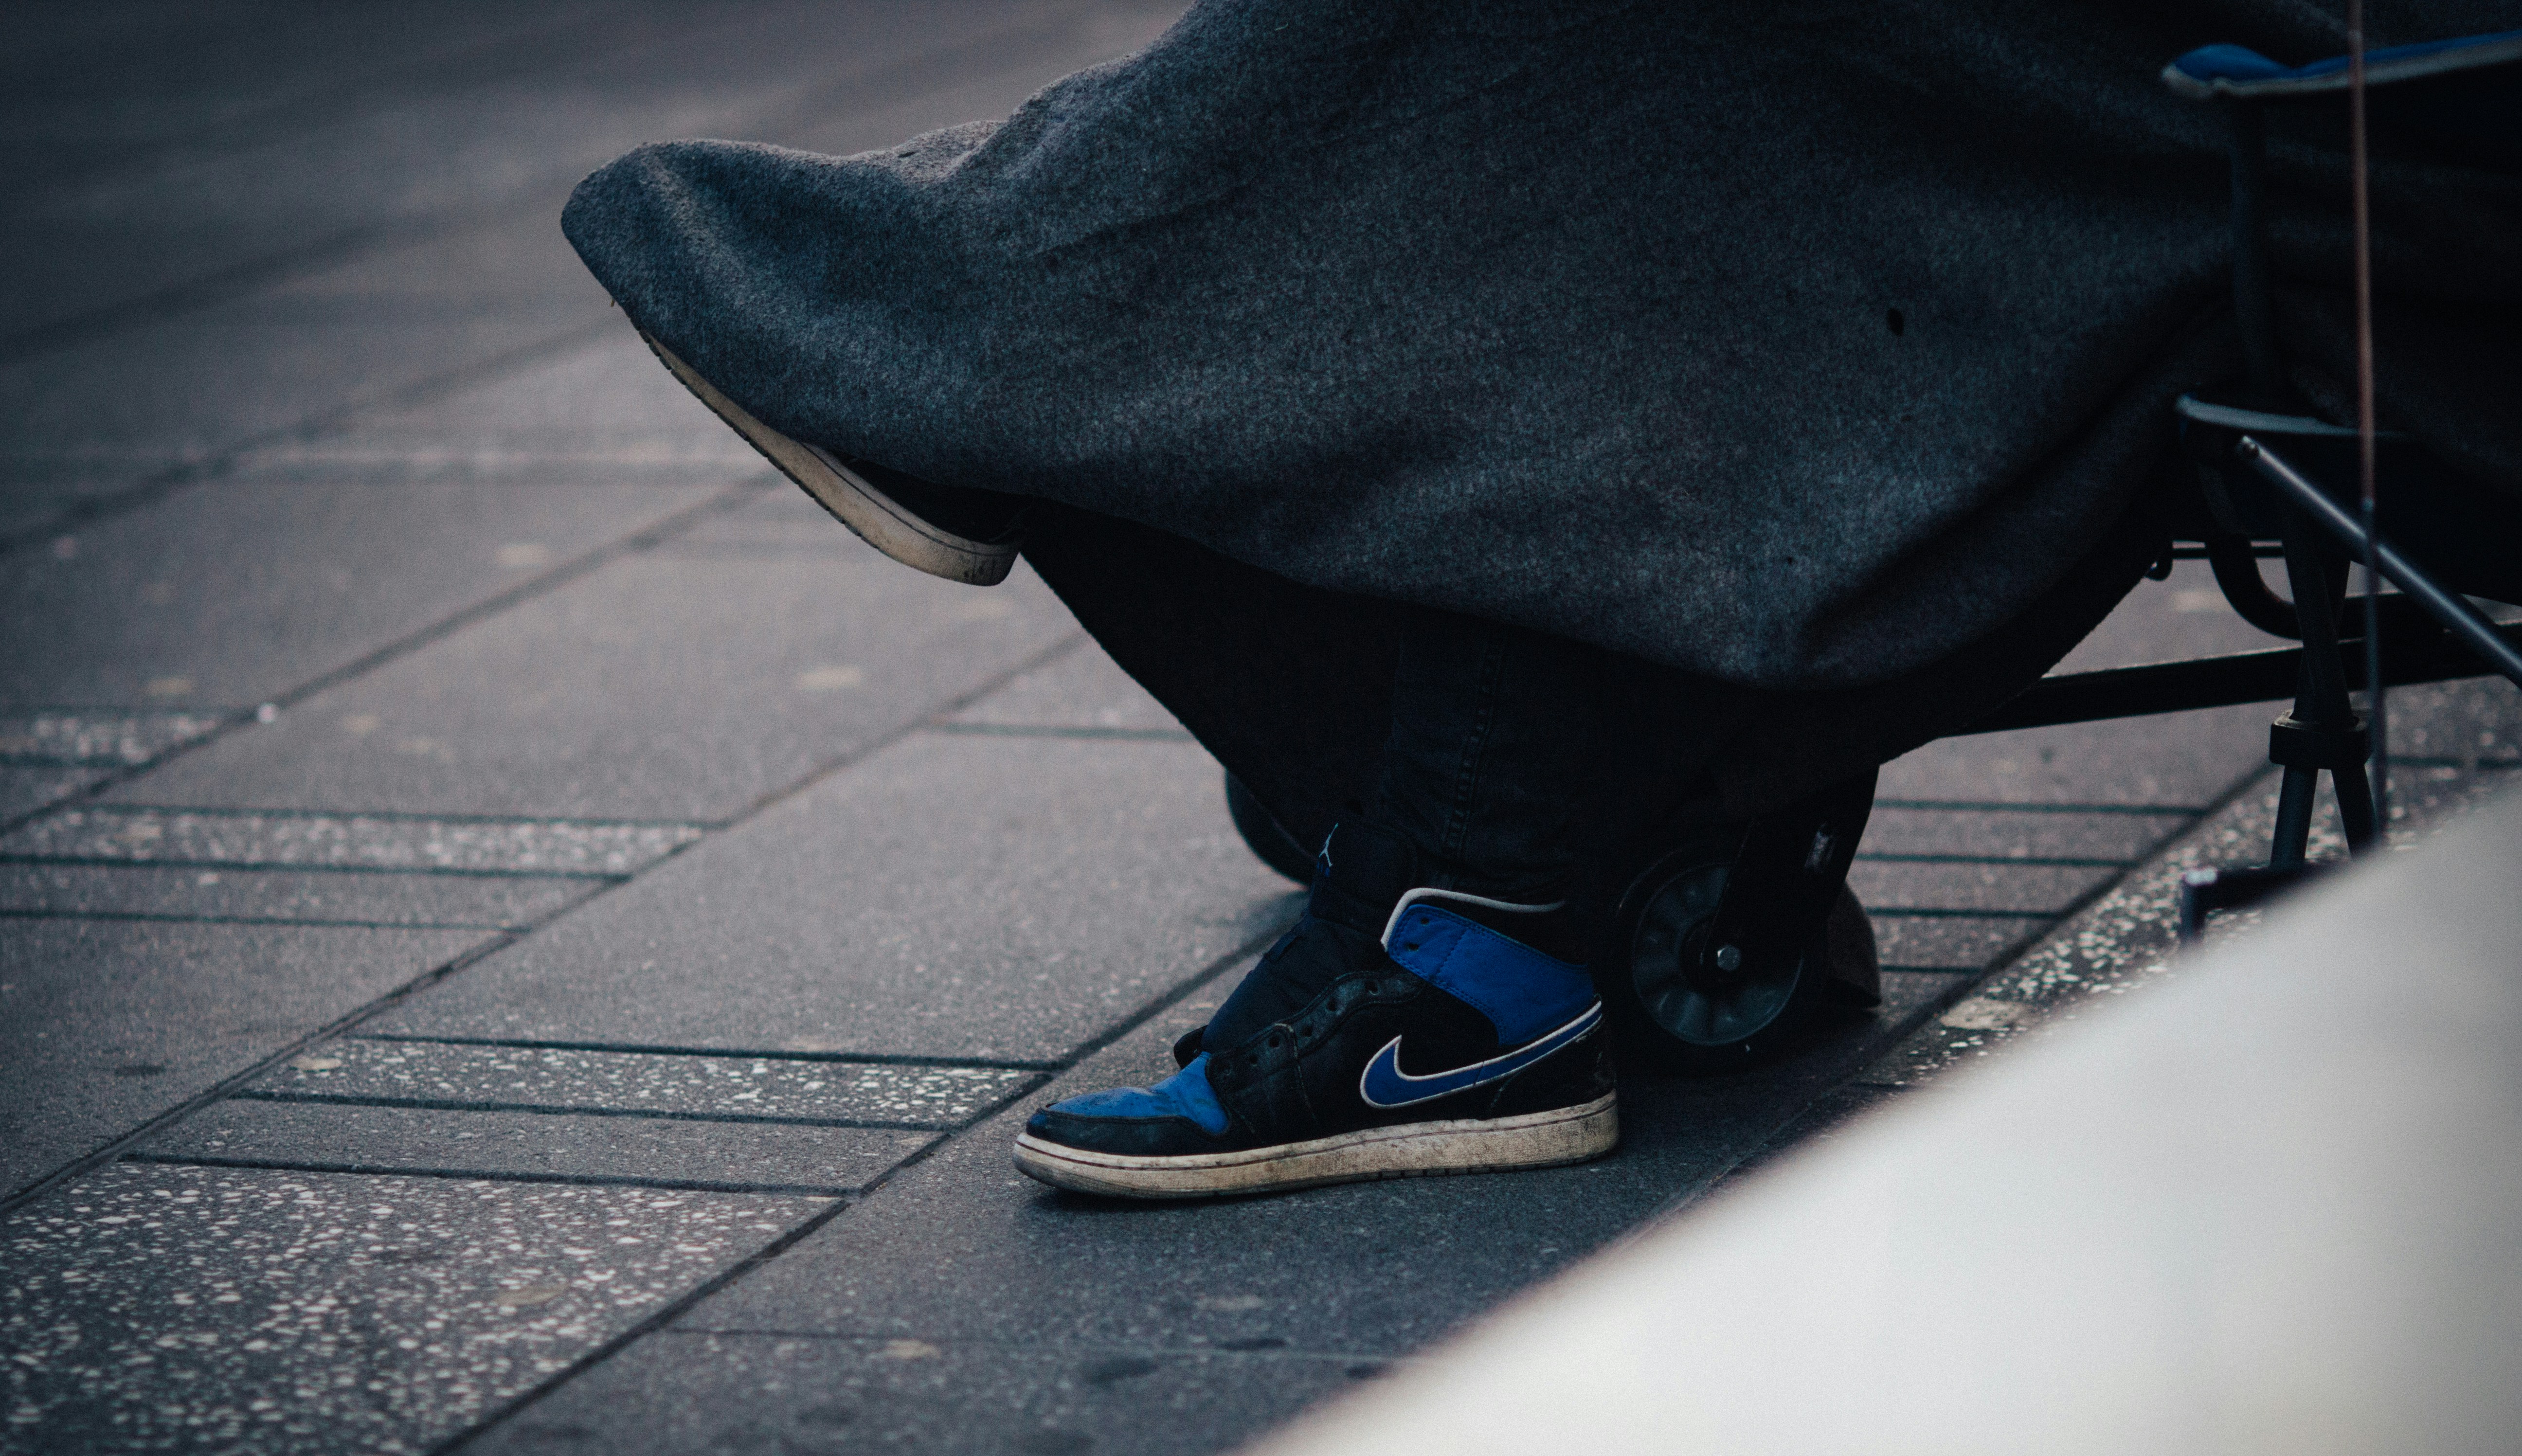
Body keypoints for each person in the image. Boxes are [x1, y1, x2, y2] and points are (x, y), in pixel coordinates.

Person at [563, 0, 2521, 1198]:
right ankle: (1498, 856)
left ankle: (973, 354)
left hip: (2390, 148)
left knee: (1665, 59)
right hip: (2310, 97)